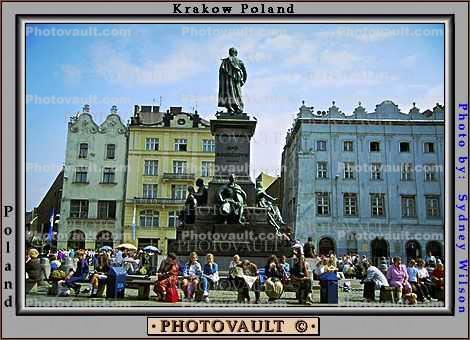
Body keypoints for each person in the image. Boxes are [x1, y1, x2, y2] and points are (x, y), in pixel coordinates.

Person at [218, 47, 247, 114]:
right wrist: (243, 81)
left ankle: (230, 108)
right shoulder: (240, 61)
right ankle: (238, 108)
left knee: (229, 94)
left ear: (230, 53)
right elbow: (245, 73)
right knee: (238, 95)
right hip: (237, 82)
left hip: (227, 84)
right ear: (236, 53)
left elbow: (221, 72)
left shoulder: (225, 61)